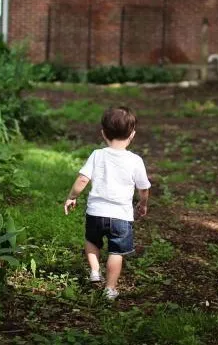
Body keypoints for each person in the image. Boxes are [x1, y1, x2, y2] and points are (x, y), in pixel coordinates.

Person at [64, 106, 151, 300]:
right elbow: (143, 188)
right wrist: (143, 204)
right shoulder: (135, 160)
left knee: (91, 241)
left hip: (96, 213)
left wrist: (72, 196)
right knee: (116, 252)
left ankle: (95, 271)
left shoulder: (97, 155)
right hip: (121, 216)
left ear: (103, 133)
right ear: (132, 135)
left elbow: (82, 180)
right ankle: (110, 288)